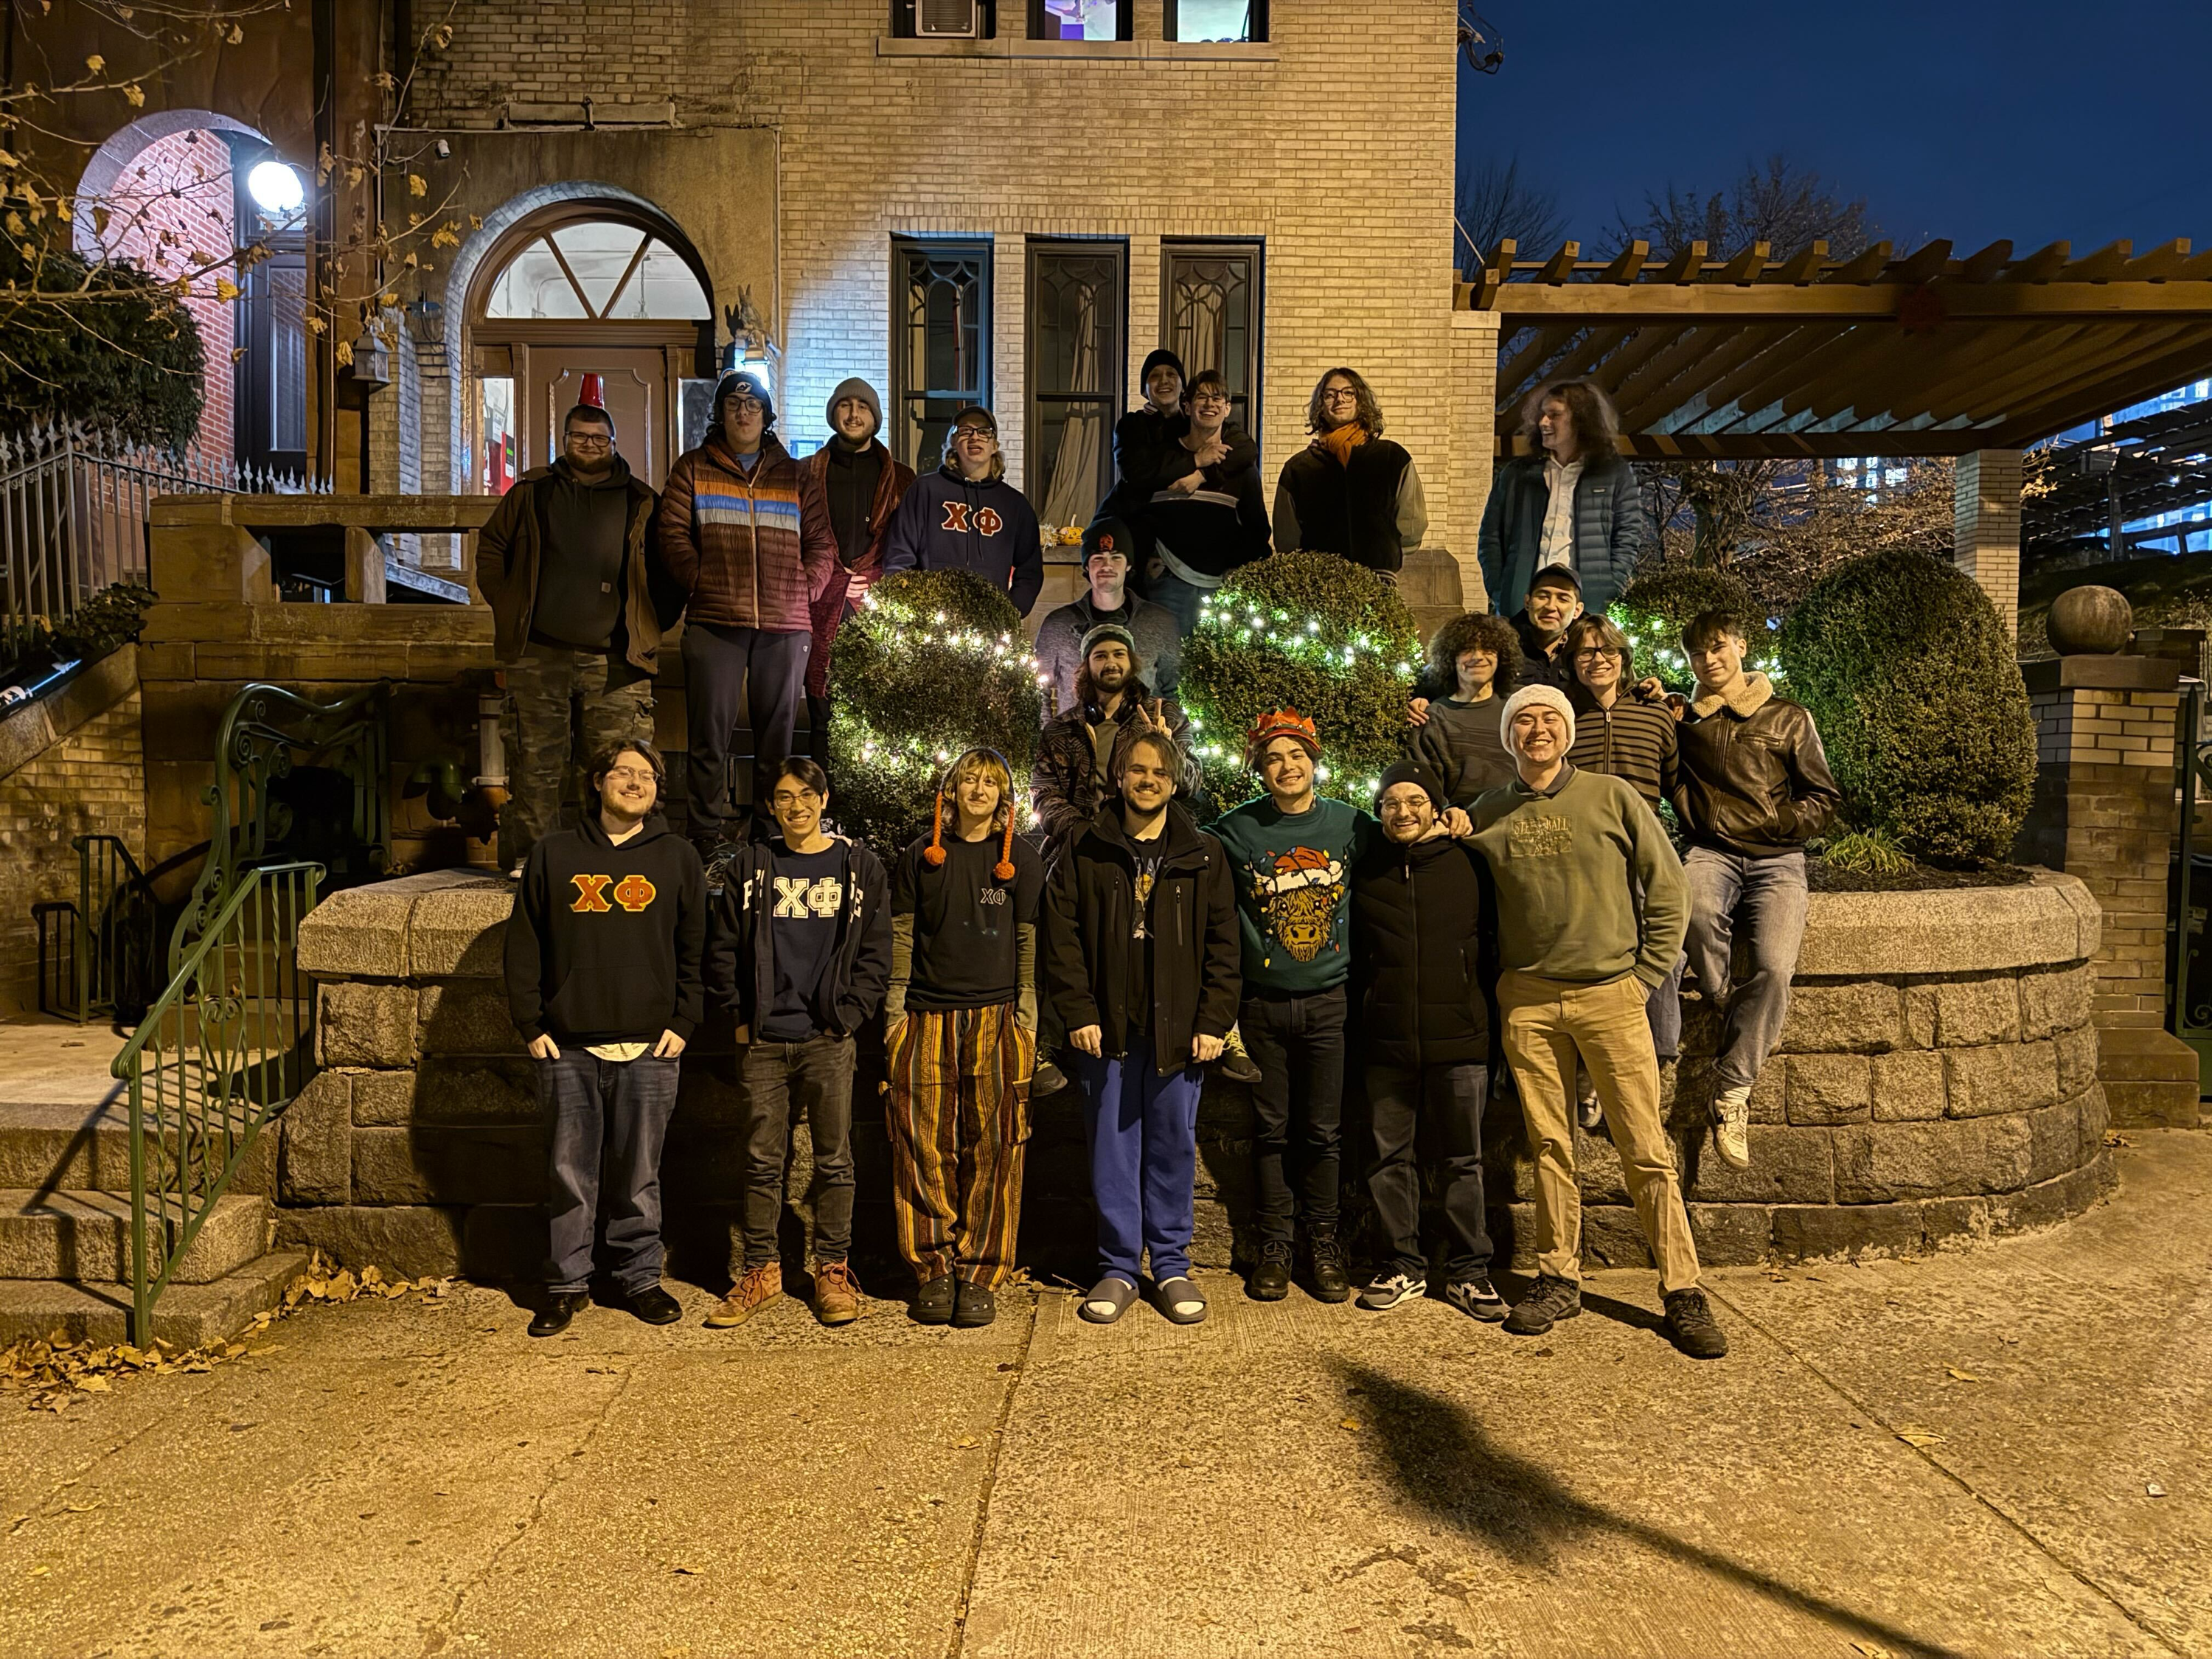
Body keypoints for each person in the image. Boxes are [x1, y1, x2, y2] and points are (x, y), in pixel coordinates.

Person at [1468, 685, 1726, 1360]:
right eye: (1523, 719)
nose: (1537, 729)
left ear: (1568, 730)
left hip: (1610, 993)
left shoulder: (1613, 796)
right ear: (1508, 735)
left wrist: (1644, 977)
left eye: (1550, 716)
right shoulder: (1489, 811)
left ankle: (1682, 1287)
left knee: (1644, 1145)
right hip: (1527, 999)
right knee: (1551, 1145)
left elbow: (1669, 885)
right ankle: (1559, 1276)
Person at [1208, 710, 1470, 1302]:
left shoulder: (1352, 826)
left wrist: (1454, 817)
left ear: (1313, 761)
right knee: (1272, 1130)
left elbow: (1411, 834)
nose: (1286, 767)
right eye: (1273, 758)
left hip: (1330, 1003)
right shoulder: (1235, 830)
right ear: (1258, 769)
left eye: (1296, 755)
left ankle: (1323, 1242)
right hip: (1264, 1005)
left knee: (1325, 1133)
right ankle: (1275, 1242)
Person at [505, 741, 706, 1339]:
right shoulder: (554, 854)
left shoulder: (677, 858)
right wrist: (532, 1024)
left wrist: (684, 1021)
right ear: (597, 782)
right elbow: (525, 945)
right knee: (569, 1172)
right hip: (568, 1046)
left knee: (639, 1173)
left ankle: (639, 1278)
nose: (634, 781)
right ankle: (567, 1284)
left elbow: (699, 949)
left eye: (646, 775)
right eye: (623, 771)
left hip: (650, 1045)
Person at [1044, 728, 1240, 1326]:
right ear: (1120, 779)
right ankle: (1119, 1268)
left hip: (1179, 1033)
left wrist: (1213, 1020)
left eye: (1158, 772)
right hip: (1106, 1031)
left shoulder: (1204, 854)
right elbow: (1061, 939)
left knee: (1172, 1146)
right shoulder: (1086, 847)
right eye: (1137, 771)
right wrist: (1078, 1011)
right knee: (1112, 1149)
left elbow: (1224, 945)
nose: (1147, 781)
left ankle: (1174, 1266)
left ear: (1174, 782)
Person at [701, 758, 891, 1331]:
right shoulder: (753, 867)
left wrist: (849, 1016)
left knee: (835, 1159)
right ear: (771, 806)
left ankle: (832, 1268)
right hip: (763, 1037)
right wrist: (739, 1019)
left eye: (807, 795)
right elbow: (723, 949)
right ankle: (761, 1268)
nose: (797, 806)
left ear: (825, 799)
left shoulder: (858, 868)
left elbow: (876, 953)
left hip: (827, 1037)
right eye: (784, 797)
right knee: (762, 1158)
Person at [1670, 608, 1842, 1172]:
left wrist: (1775, 825)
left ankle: (1733, 1089)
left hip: (1777, 860)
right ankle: (1725, 1002)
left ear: (1741, 647)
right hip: (1710, 853)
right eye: (1697, 653)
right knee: (1692, 911)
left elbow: (1822, 797)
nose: (1709, 660)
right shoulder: (1685, 718)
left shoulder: (1787, 716)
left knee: (1774, 968)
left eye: (1717, 647)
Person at [884, 749, 1047, 1329]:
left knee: (996, 1147)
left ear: (1004, 799)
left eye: (991, 783)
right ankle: (932, 1268)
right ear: (948, 792)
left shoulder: (1021, 861)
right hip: (926, 1017)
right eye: (968, 780)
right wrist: (894, 1015)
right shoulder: (918, 858)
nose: (978, 789)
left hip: (997, 1018)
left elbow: (1029, 943)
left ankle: (980, 1272)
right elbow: (902, 938)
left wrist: (1026, 1019)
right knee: (921, 1146)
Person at [476, 403, 665, 873]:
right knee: (534, 766)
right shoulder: (532, 494)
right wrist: (509, 604)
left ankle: (611, 859)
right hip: (539, 653)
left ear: (614, 443)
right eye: (580, 437)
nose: (590, 445)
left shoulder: (642, 501)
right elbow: (491, 549)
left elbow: (668, 569)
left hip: (617, 663)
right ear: (564, 441)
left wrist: (653, 622)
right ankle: (531, 861)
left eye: (599, 438)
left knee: (615, 768)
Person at [657, 370, 836, 861]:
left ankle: (767, 836)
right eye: (734, 406)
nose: (743, 413)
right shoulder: (693, 467)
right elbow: (671, 534)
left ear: (767, 416)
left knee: (776, 741)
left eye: (752, 406)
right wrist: (699, 578)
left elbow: (822, 544)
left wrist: (805, 586)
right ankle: (706, 838)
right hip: (716, 621)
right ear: (721, 414)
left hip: (785, 623)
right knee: (708, 738)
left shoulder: (798, 475)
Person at [1351, 761, 1508, 1321]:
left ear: (1437, 809)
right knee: (1389, 1159)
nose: (1403, 811)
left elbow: (1493, 948)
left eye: (1415, 800)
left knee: (1463, 1159)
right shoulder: (1366, 871)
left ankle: (1470, 1270)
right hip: (1386, 1042)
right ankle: (1403, 1265)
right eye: (1391, 802)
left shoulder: (1470, 864)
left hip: (1461, 1040)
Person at [1561, 612, 1686, 1131]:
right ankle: (1591, 1075)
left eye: (1607, 650)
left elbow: (1678, 779)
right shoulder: (1565, 715)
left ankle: (1649, 1068)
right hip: (1584, 852)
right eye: (1587, 652)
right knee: (1594, 961)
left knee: (1667, 953)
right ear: (1573, 661)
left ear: (1623, 658)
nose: (1598, 660)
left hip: (1644, 847)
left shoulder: (1655, 714)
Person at [799, 378, 917, 770]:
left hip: (878, 606)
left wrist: (876, 580)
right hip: (819, 605)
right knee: (824, 713)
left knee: (878, 711)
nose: (853, 414)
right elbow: (795, 541)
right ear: (833, 413)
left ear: (875, 417)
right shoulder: (804, 474)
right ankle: (825, 806)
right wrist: (834, 579)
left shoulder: (902, 478)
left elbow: (908, 547)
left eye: (862, 407)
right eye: (845, 406)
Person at [1476, 378, 1649, 619]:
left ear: (1581, 419)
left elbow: (1628, 538)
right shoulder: (1517, 474)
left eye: (1554, 415)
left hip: (1586, 609)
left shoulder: (1613, 473)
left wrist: (1609, 590)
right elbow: (1489, 537)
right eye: (1542, 414)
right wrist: (1501, 590)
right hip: (1521, 608)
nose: (1543, 422)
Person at [1121, 368, 1270, 636]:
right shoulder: (1164, 459)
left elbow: (1257, 528)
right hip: (1167, 583)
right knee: (1166, 669)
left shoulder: (1242, 468)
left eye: (1217, 399)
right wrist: (1144, 562)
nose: (1209, 404)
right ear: (1187, 407)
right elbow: (1135, 510)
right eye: (1202, 398)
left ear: (1227, 409)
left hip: (1223, 589)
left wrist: (1240, 572)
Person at [1031, 623, 1192, 853]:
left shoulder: (1166, 715)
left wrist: (1169, 750)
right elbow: (1043, 793)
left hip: (1150, 848)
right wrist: (1084, 834)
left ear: (1131, 662)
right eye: (1100, 656)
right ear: (1087, 665)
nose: (1111, 663)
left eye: (1119, 654)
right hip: (1079, 849)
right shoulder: (1060, 729)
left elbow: (1191, 784)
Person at [881, 406, 1045, 617]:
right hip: (930, 622)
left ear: (995, 446)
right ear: (953, 442)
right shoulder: (925, 490)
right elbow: (899, 556)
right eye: (966, 431)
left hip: (989, 626)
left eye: (984, 431)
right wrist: (912, 608)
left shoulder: (1015, 505)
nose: (975, 437)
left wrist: (1010, 613)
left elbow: (1030, 570)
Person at [1272, 367, 1427, 578]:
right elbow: (1287, 537)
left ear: (1360, 401)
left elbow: (1411, 524)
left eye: (1348, 393)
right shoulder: (1299, 468)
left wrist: (1384, 552)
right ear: (1320, 405)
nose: (1339, 399)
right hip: (1319, 584)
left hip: (1377, 579)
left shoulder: (1392, 458)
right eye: (1330, 395)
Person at [1032, 517, 1182, 717]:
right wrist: (1050, 738)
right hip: (1074, 743)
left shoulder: (1161, 622)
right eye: (1098, 558)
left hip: (1142, 743)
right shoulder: (1058, 623)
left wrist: (1166, 742)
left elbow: (1175, 691)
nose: (1107, 566)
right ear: (1087, 566)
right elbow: (1036, 690)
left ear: (1128, 565)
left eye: (1116, 557)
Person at [1408, 611, 1522, 809]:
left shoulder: (1520, 706)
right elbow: (1424, 790)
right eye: (1467, 649)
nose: (1478, 657)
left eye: (1488, 648)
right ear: (1450, 657)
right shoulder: (1432, 718)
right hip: (1460, 830)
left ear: (1501, 655)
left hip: (1521, 823)